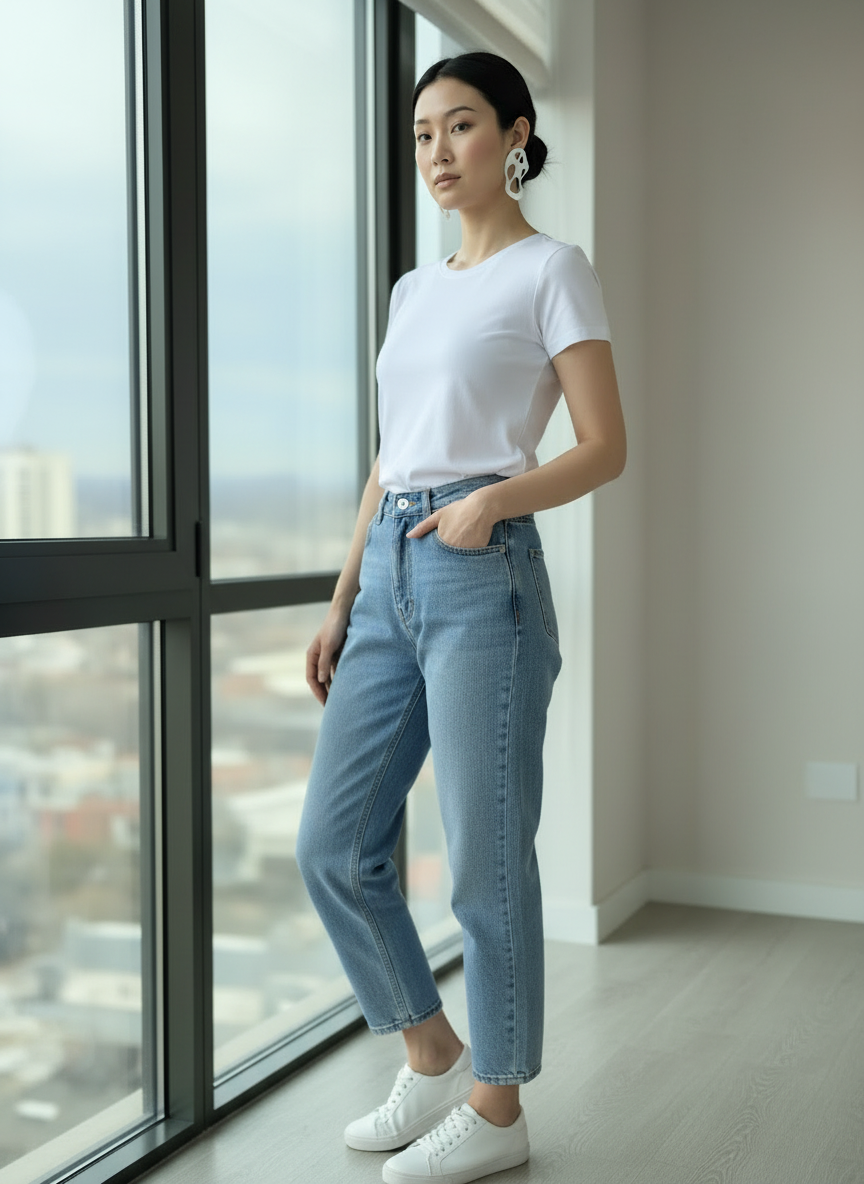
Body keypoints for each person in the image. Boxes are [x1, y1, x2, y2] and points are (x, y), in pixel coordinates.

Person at [296, 50, 626, 1184]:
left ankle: (498, 1106)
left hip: (486, 573)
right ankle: (431, 1048)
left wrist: (493, 498)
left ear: (517, 135)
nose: (439, 151)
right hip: (390, 571)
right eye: (424, 132)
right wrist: (344, 596)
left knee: (483, 864)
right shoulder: (413, 287)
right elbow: (392, 458)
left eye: (464, 126)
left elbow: (603, 445)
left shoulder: (552, 270)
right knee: (335, 846)